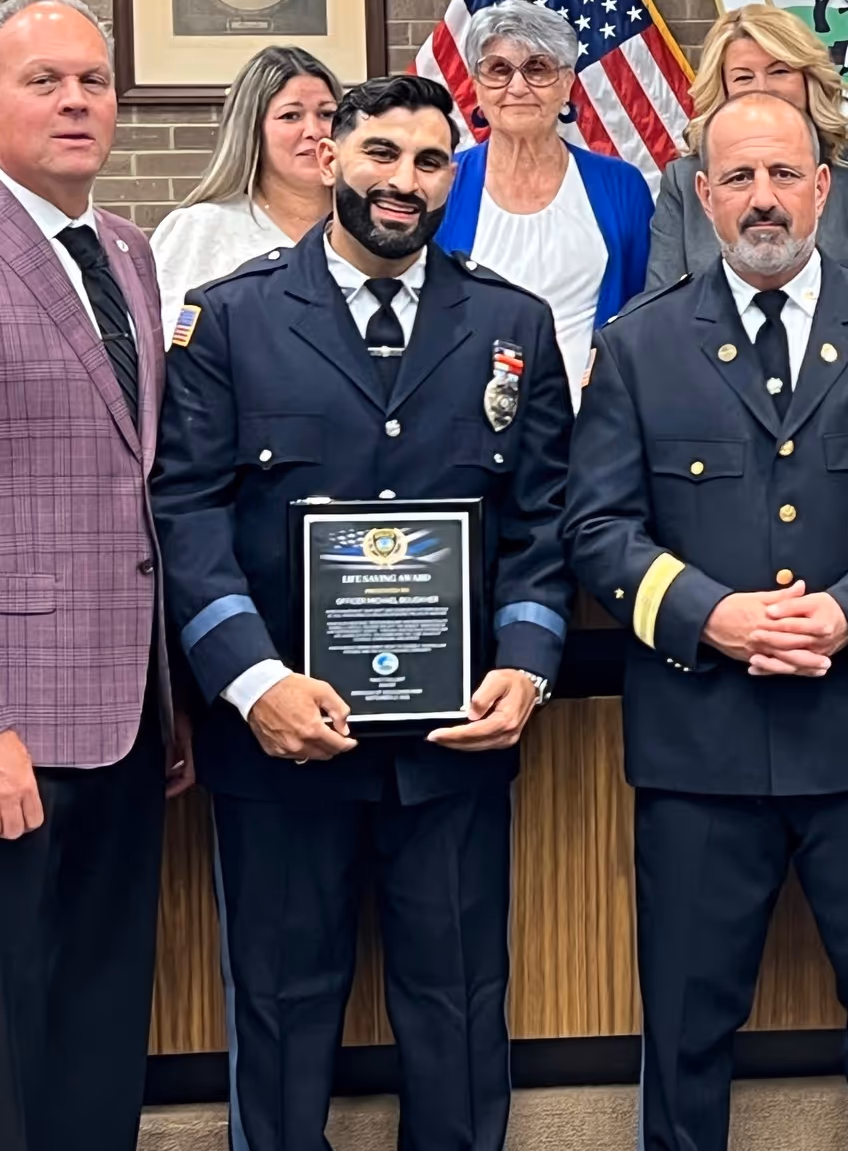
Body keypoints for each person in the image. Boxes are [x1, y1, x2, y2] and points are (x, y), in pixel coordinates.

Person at [151, 72, 574, 1151]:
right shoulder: (233, 319)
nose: (403, 182)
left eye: (430, 162)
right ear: (330, 156)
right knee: (283, 1012)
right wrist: (253, 683)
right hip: (284, 742)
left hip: (454, 740)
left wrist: (524, 667)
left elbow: (541, 520)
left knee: (463, 1009)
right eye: (381, 154)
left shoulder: (509, 322)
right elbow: (185, 512)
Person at [565, 91, 848, 1151]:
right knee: (687, 1036)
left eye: (783, 175)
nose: (761, 200)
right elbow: (598, 526)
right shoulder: (641, 345)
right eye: (737, 179)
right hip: (699, 744)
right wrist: (712, 617)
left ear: (823, 189)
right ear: (701, 197)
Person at [0, 0, 185, 1151]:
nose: (77, 101)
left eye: (93, 81)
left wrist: (167, 695)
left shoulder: (126, 250)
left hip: (127, 718)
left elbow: (133, 484)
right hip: (16, 731)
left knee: (101, 1020)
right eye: (43, 81)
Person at [435, 0, 653, 404]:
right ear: (477, 86)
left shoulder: (622, 187)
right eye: (498, 69)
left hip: (591, 428)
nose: (518, 87)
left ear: (567, 82)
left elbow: (642, 314)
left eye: (538, 68)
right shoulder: (442, 183)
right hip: (465, 431)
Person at [646, 4, 848, 289]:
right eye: (743, 77)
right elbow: (662, 304)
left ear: (808, 80)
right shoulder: (683, 181)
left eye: (779, 71)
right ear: (723, 89)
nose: (762, 88)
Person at [150, 44, 341, 341]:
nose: (314, 130)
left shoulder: (366, 227)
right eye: (291, 116)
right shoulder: (199, 229)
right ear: (252, 130)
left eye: (327, 113)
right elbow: (164, 348)